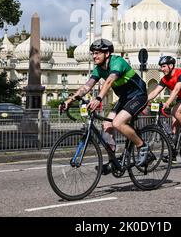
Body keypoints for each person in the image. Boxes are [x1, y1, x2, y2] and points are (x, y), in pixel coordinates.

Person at [60, 38, 153, 174]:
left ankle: (143, 147)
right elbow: (87, 86)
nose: (94, 56)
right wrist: (69, 100)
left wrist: (98, 98)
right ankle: (113, 162)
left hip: (138, 96)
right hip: (125, 99)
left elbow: (109, 81)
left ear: (107, 54)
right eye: (93, 53)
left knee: (117, 123)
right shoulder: (99, 69)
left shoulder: (118, 62)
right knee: (106, 126)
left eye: (97, 53)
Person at [147, 55, 181, 146]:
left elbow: (176, 90)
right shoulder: (164, 79)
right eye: (161, 67)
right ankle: (173, 152)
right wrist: (144, 101)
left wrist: (168, 102)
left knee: (175, 111)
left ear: (171, 66)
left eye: (164, 66)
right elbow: (155, 92)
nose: (162, 69)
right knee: (174, 126)